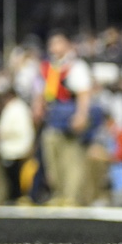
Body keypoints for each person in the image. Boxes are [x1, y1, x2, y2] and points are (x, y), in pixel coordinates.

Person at [33, 31, 93, 206]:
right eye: (52, 44)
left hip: (69, 111)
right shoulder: (48, 67)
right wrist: (38, 106)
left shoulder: (75, 66)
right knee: (52, 155)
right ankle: (58, 192)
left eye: (58, 43)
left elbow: (83, 93)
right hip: (52, 114)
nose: (54, 48)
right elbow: (40, 91)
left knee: (71, 156)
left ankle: (71, 195)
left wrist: (81, 114)